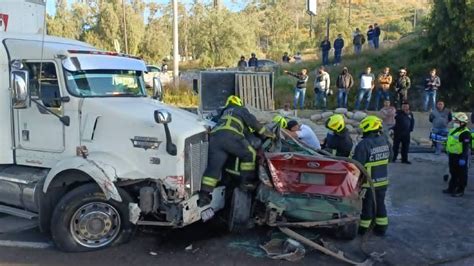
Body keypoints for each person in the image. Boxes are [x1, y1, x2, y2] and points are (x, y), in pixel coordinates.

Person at [199, 95, 275, 206]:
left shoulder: (223, 111)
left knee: (214, 167)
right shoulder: (240, 109)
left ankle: (204, 195)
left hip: (215, 138)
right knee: (249, 154)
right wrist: (269, 134)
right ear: (239, 103)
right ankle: (246, 182)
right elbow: (254, 123)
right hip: (231, 136)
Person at [354, 116, 392, 236]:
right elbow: (390, 158)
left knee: (367, 206)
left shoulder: (364, 144)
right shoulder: (385, 140)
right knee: (380, 203)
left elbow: (357, 163)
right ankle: (381, 227)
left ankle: (364, 229)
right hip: (383, 180)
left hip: (368, 182)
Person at [443, 112, 471, 197]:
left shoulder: (465, 133)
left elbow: (466, 147)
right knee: (453, 173)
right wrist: (446, 148)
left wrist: (463, 158)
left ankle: (460, 190)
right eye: (455, 121)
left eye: (457, 121)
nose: (455, 122)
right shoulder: (453, 130)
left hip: (460, 156)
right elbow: (449, 141)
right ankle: (451, 188)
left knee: (461, 174)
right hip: (452, 155)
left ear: (463, 123)